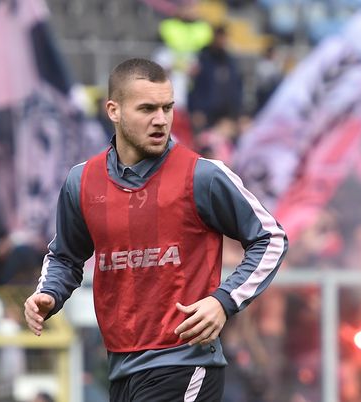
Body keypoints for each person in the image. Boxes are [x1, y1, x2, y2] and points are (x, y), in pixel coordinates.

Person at [23, 58, 288, 401]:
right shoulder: (82, 181)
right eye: (147, 108)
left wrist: (224, 300)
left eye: (167, 107)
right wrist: (49, 293)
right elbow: (65, 256)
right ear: (113, 111)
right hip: (121, 367)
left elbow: (271, 238)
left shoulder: (203, 175)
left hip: (186, 362)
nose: (161, 120)